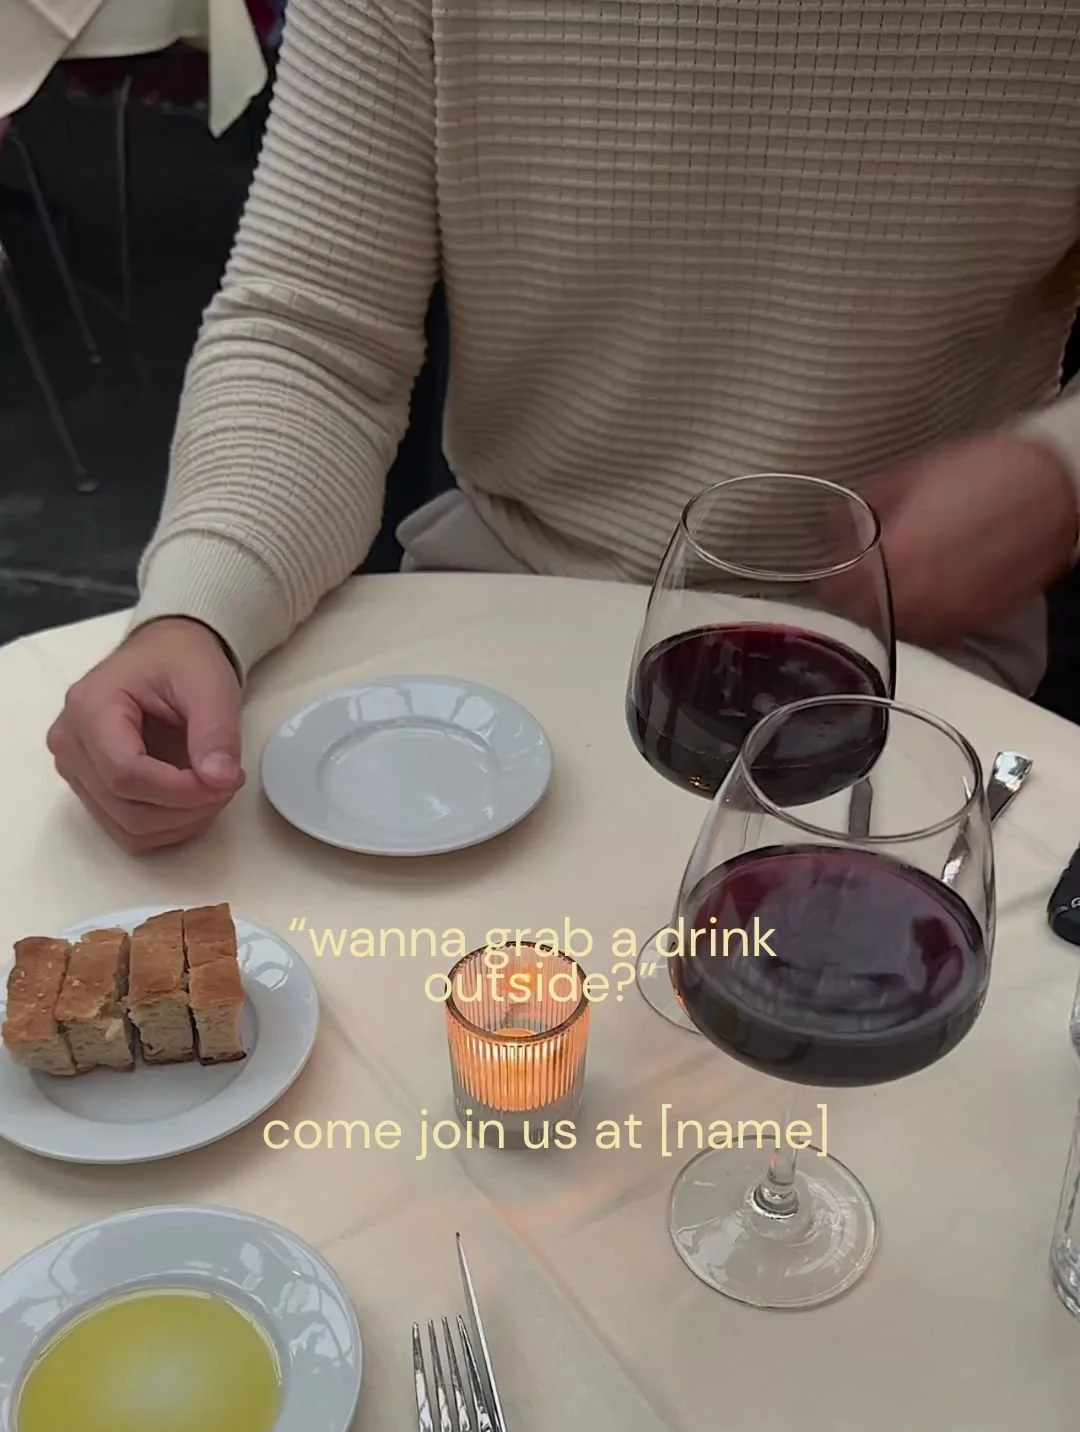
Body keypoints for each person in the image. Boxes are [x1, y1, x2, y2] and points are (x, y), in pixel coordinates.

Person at [48, 1, 1080, 852]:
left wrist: (1060, 471)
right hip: (508, 610)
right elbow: (315, 332)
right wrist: (199, 613)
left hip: (914, 666)